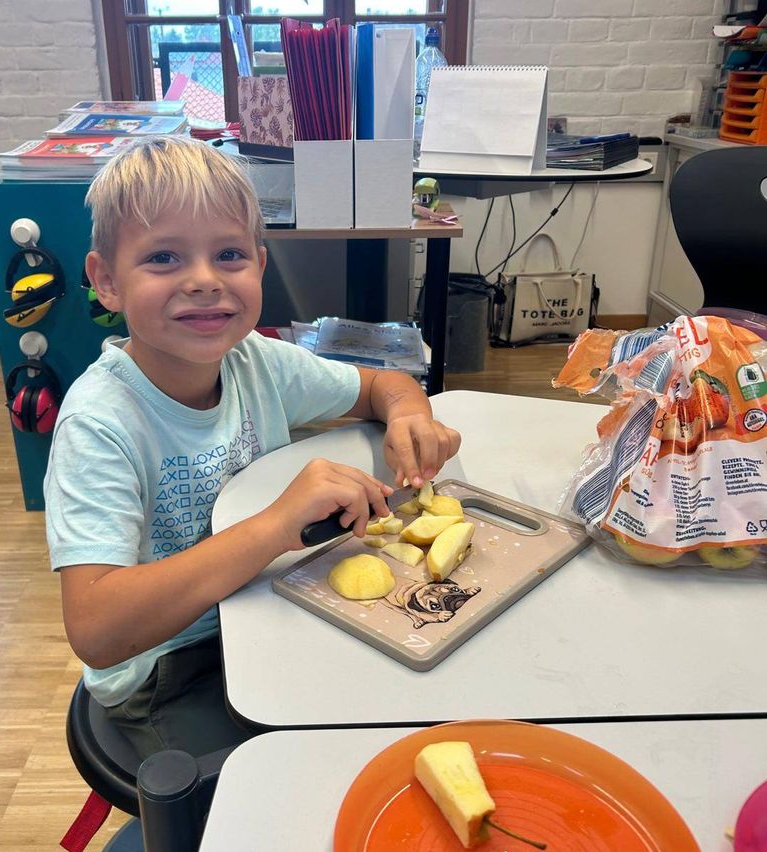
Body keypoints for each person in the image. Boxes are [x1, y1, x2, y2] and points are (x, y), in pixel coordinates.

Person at [44, 135, 461, 761]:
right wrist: (275, 525)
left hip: (266, 607)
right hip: (171, 668)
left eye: (229, 254)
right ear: (106, 281)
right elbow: (97, 630)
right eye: (163, 257)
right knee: (309, 765)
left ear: (259, 267)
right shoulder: (99, 424)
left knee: (410, 700)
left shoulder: (256, 362)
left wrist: (410, 415)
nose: (204, 280)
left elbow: (385, 384)